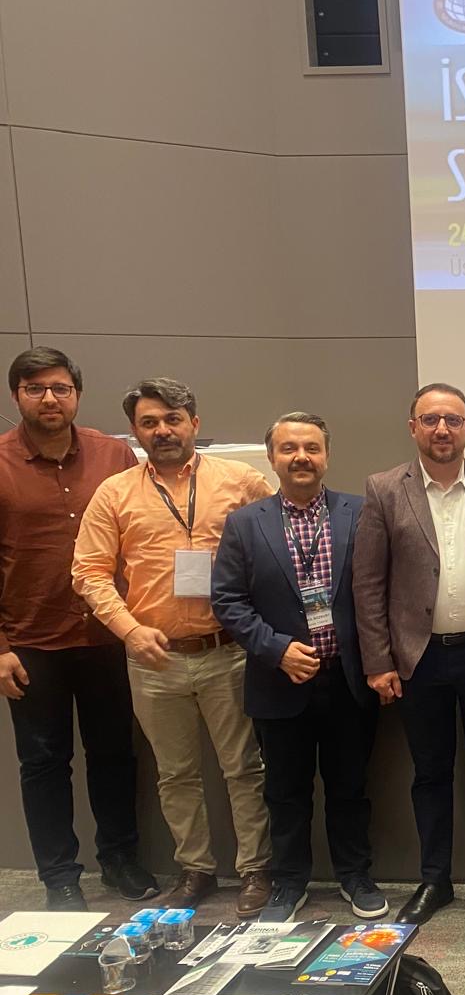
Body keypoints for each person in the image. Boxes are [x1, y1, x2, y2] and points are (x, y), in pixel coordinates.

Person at [71, 377, 274, 916]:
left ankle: (256, 870)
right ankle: (196, 869)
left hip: (228, 651)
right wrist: (129, 629)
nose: (162, 430)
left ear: (194, 424)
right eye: (149, 423)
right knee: (176, 773)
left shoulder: (241, 481)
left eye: (172, 419)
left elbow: (279, 542)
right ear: (135, 431)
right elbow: (88, 571)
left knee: (244, 768)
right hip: (154, 658)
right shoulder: (115, 493)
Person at [352, 383, 465, 926]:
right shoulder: (384, 489)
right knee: (430, 774)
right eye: (430, 420)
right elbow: (368, 583)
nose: (442, 429)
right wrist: (378, 661)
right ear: (413, 427)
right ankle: (435, 880)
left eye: (453, 419)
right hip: (418, 658)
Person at [0, 347, 156, 911]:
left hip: (108, 634)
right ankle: (60, 877)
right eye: (36, 388)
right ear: (16, 395)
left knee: (114, 754)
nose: (50, 398)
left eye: (60, 388)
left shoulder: (114, 455)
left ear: (77, 395)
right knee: (43, 764)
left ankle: (119, 860)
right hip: (30, 641)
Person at [212, 412, 385, 921]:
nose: (301, 457)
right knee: (284, 792)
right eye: (289, 448)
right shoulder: (246, 523)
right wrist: (276, 649)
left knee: (351, 788)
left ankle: (355, 875)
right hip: (279, 680)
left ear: (327, 455)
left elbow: (379, 590)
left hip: (348, 679)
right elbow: (228, 601)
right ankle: (289, 882)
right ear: (272, 458)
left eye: (311, 447)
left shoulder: (360, 512)